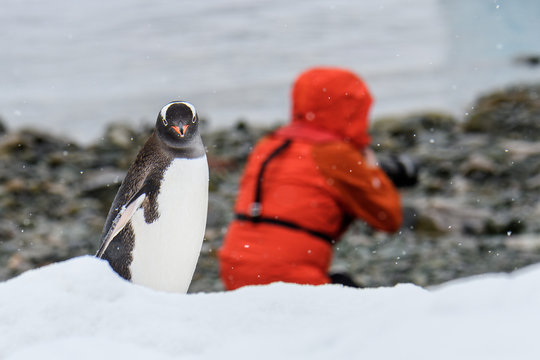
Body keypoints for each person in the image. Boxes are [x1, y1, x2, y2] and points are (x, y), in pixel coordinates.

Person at [218, 66, 404, 290]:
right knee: (363, 309)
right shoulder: (334, 153)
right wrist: (373, 171)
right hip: (287, 276)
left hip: (235, 269)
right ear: (352, 109)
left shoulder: (267, 145)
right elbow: (388, 217)